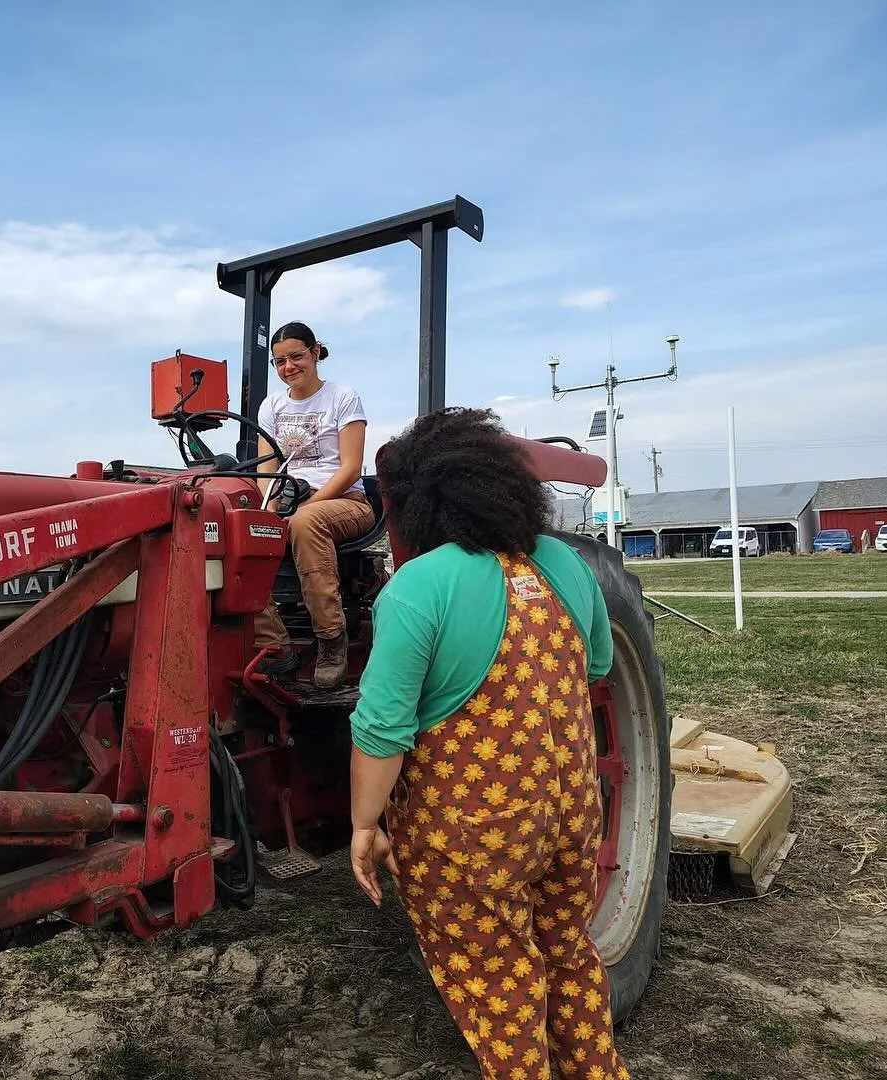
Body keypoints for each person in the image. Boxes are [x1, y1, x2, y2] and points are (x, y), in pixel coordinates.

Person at [346, 407, 629, 1080]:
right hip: (571, 815)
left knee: (500, 991)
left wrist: (363, 824)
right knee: (567, 951)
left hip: (477, 837)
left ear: (415, 503)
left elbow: (382, 730)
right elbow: (594, 667)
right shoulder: (562, 563)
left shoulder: (418, 587)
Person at [252, 321, 374, 688]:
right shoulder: (271, 405)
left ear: (315, 352)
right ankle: (275, 644)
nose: (288, 367)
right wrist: (269, 505)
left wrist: (305, 505)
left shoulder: (342, 397)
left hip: (345, 501)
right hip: (292, 499)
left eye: (296, 356)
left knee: (307, 523)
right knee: (239, 530)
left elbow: (351, 466)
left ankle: (331, 640)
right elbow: (266, 468)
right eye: (279, 361)